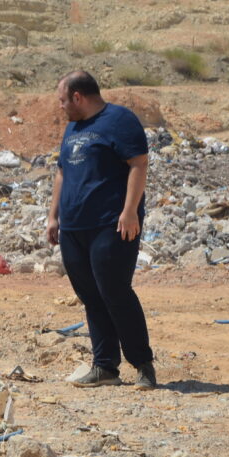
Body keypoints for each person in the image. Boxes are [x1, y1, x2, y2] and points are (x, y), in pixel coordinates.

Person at [46, 70, 156, 390]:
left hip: (112, 224)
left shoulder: (120, 120)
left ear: (78, 97)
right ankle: (105, 365)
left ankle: (143, 365)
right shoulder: (72, 128)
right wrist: (53, 217)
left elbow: (139, 163)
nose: (61, 107)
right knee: (90, 296)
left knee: (115, 292)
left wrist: (130, 211)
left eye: (63, 100)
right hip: (74, 227)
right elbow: (62, 173)